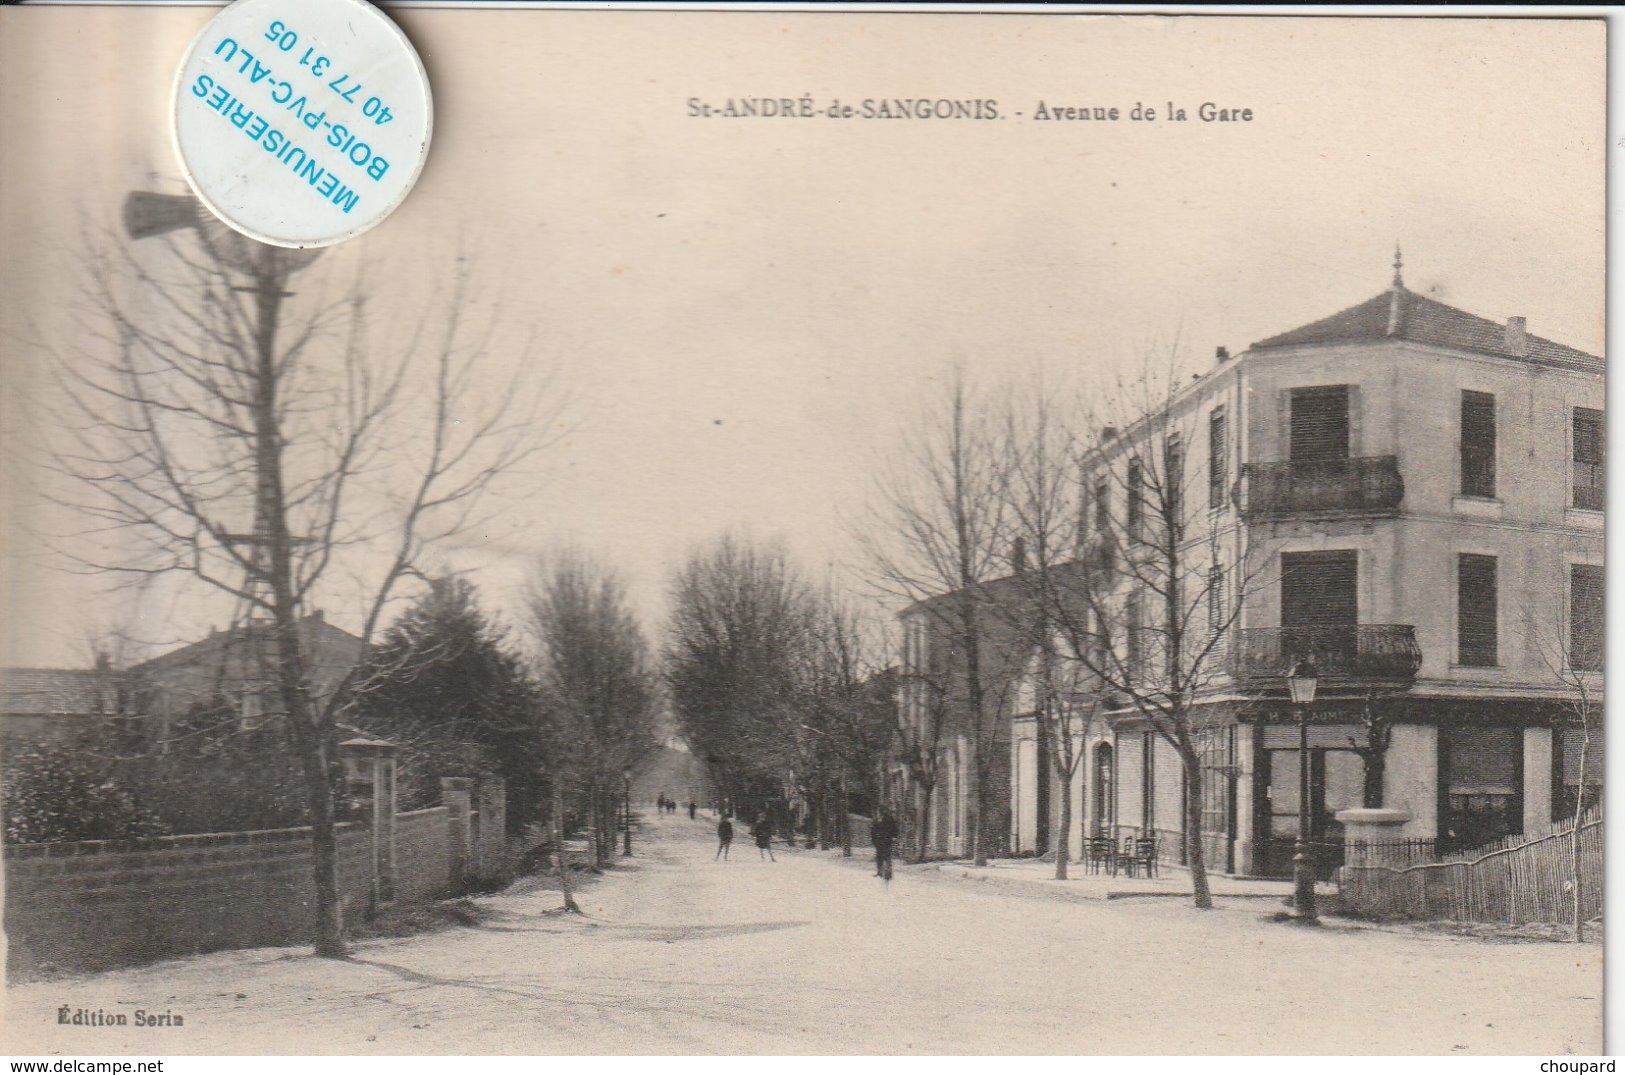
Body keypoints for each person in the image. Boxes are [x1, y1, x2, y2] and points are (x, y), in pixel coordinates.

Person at [871, 809, 898, 880]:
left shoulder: (888, 819)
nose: (878, 814)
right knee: (880, 856)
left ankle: (888, 873)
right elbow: (873, 830)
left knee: (886, 856)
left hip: (886, 841)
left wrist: (894, 836)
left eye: (878, 812)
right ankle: (880, 872)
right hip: (880, 841)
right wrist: (874, 840)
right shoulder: (877, 820)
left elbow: (894, 828)